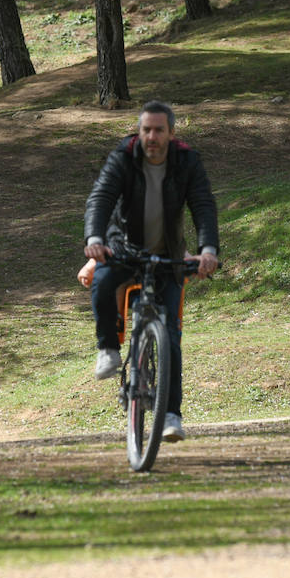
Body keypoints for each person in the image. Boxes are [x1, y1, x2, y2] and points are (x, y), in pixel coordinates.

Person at [83, 100, 220, 443]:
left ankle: (171, 414)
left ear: (172, 134)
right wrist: (96, 238)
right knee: (101, 282)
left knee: (171, 336)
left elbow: (203, 205)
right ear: (139, 131)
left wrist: (208, 250)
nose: (152, 136)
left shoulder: (187, 161)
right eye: (146, 129)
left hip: (167, 256)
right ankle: (108, 350)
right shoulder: (123, 157)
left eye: (159, 130)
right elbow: (100, 197)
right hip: (124, 249)